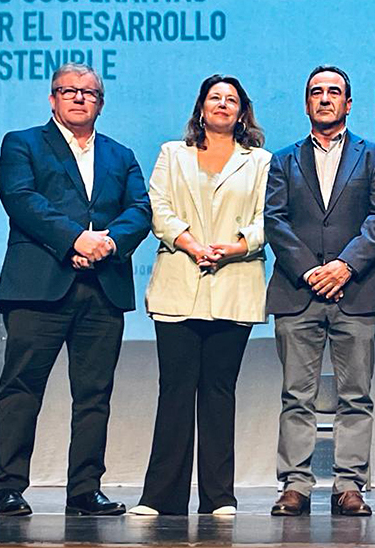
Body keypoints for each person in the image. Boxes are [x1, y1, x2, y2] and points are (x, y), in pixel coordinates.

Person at [0, 62, 151, 516]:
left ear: (101, 103)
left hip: (102, 289)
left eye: (88, 92)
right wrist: (74, 240)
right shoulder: (22, 144)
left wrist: (108, 244)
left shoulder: (121, 154)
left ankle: (84, 489)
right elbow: (21, 199)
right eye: (68, 91)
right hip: (38, 287)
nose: (78, 98)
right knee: (21, 388)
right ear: (52, 98)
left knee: (94, 395)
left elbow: (140, 208)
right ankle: (8, 487)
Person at [128, 75, 271, 516]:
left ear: (242, 110)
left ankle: (219, 497)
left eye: (231, 100)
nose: (223, 105)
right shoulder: (173, 153)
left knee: (218, 391)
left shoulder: (262, 161)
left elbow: (271, 217)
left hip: (235, 285)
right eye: (215, 98)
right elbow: (158, 208)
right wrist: (191, 243)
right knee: (174, 391)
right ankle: (161, 497)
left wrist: (234, 246)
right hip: (178, 285)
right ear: (201, 108)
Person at [264, 65, 375, 517]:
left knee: (355, 395)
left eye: (333, 92)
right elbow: (274, 221)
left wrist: (342, 266)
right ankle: (295, 484)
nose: (324, 98)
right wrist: (310, 272)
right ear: (306, 104)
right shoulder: (282, 159)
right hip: (298, 292)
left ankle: (348, 485)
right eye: (316, 92)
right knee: (296, 395)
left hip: (356, 291)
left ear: (348, 103)